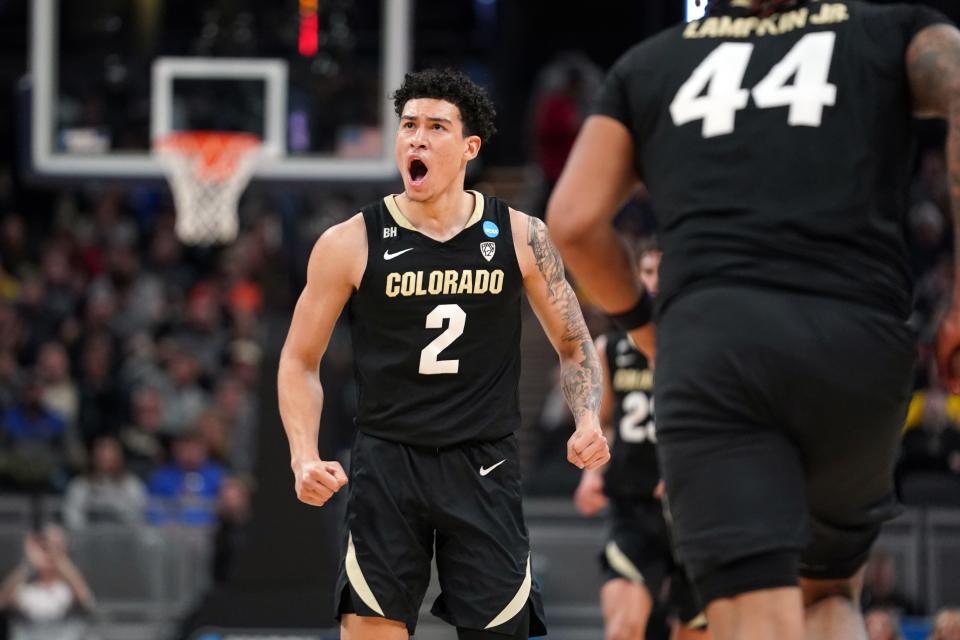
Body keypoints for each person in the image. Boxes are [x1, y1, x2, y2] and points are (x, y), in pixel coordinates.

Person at [547, 2, 960, 639]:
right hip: (854, 340)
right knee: (827, 592)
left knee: (749, 610)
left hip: (716, 349)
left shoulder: (651, 63)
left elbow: (572, 220)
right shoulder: (893, 29)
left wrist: (651, 331)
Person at [278, 68, 609, 640]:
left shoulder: (521, 235)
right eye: (409, 126)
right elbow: (299, 360)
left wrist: (587, 418)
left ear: (468, 148)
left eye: (436, 127)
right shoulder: (349, 242)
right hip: (387, 462)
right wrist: (303, 454)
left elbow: (575, 343)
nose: (418, 139)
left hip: (484, 462)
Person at [574, 245, 708, 640]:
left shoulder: (704, 350)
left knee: (696, 631)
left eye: (662, 272)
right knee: (623, 630)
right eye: (647, 271)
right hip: (633, 507)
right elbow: (602, 424)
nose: (653, 282)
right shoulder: (611, 349)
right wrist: (590, 474)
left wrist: (690, 469)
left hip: (696, 510)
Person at [0, 526, 95, 640]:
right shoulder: (23, 589)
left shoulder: (67, 589)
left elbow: (87, 601)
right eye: (45, 546)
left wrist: (60, 559)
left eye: (56, 546)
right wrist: (29, 563)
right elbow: (3, 601)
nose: (49, 551)